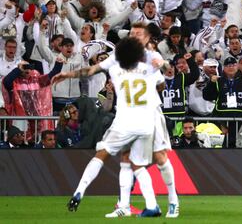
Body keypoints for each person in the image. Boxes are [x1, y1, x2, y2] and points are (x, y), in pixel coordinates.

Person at [54, 38, 163, 217]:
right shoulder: (148, 68)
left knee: (102, 154)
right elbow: (161, 84)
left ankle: (79, 191)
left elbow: (89, 70)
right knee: (132, 164)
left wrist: (67, 74)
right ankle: (144, 206)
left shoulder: (115, 67)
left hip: (125, 122)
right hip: (145, 122)